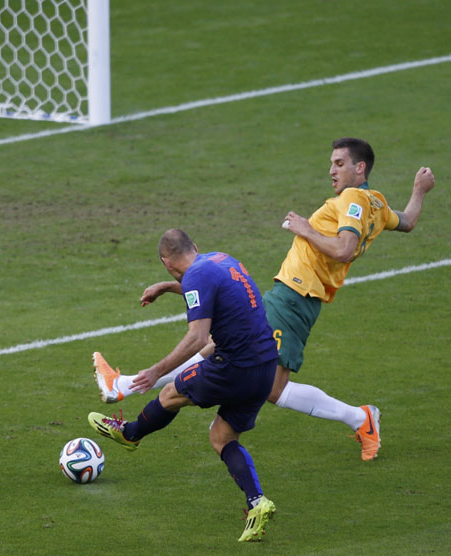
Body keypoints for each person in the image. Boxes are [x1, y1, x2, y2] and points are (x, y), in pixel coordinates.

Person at [94, 138, 435, 462]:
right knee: (226, 348)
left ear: (360, 168)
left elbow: (344, 250)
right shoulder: (374, 202)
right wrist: (419, 191)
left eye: (339, 163)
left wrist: (306, 229)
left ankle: (126, 386)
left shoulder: (353, 201)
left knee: (260, 378)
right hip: (292, 296)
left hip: (295, 299)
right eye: (331, 163)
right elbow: (408, 221)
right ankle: (124, 386)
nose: (332, 170)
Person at [89, 229, 279, 542]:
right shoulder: (220, 259)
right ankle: (257, 502)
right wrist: (167, 287)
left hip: (234, 367)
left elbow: (198, 338)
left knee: (169, 392)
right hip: (265, 365)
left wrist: (155, 370)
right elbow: (211, 289)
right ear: (195, 247)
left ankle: (130, 434)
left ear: (167, 262)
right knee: (222, 436)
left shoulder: (196, 277)